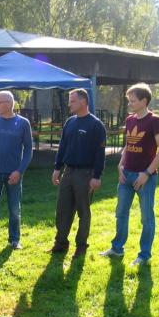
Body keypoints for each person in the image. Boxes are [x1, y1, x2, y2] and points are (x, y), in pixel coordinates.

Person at [99, 83, 159, 266]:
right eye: (129, 100)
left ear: (144, 101)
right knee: (121, 213)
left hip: (145, 178)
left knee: (146, 217)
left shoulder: (155, 121)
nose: (130, 104)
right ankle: (117, 249)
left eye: (133, 100)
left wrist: (146, 173)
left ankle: (144, 255)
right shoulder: (130, 120)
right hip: (126, 175)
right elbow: (128, 147)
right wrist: (120, 166)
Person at [49, 88, 107, 258]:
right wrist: (57, 168)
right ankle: (60, 243)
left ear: (83, 101)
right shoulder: (70, 122)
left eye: (72, 101)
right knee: (63, 209)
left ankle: (81, 245)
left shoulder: (96, 125)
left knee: (83, 211)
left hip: (86, 173)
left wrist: (96, 176)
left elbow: (100, 154)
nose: (69, 104)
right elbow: (63, 147)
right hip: (68, 172)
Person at [0, 91, 33, 250]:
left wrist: (20, 171)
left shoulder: (23, 123)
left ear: (9, 104)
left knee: (14, 209)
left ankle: (14, 239)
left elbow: (29, 149)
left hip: (13, 174)